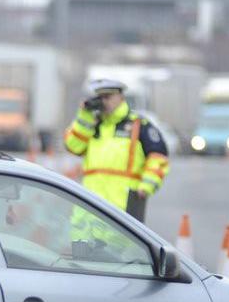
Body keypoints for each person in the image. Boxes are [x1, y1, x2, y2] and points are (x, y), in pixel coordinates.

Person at [63, 78, 170, 222]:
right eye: (100, 98)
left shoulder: (138, 125)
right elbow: (73, 146)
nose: (104, 102)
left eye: (108, 97)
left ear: (121, 97)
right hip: (89, 214)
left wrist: (145, 187)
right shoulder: (92, 124)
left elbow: (159, 157)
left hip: (122, 213)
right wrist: (85, 117)